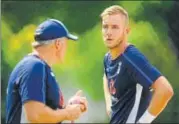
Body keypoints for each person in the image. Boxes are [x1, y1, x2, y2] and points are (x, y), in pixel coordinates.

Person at [101, 5, 174, 123]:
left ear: (126, 31)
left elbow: (165, 90)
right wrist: (109, 104)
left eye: (115, 27)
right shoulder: (108, 58)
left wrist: (143, 122)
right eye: (105, 27)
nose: (108, 32)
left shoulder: (131, 58)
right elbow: (106, 77)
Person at [6, 19, 88, 123]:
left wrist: (67, 108)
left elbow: (45, 114)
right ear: (58, 44)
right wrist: (67, 113)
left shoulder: (40, 67)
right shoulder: (34, 66)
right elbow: (35, 115)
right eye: (66, 43)